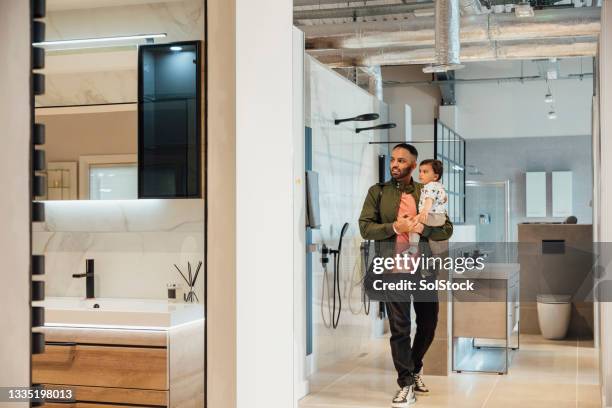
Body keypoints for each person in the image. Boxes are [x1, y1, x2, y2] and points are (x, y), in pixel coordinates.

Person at [359, 144, 453, 407]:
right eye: (393, 159)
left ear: (413, 166)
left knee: (429, 324)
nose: (395, 164)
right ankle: (406, 384)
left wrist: (423, 228)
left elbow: (446, 228)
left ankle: (413, 368)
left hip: (423, 270)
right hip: (392, 270)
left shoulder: (427, 190)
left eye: (402, 161)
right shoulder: (378, 192)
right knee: (400, 329)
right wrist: (394, 226)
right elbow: (365, 228)